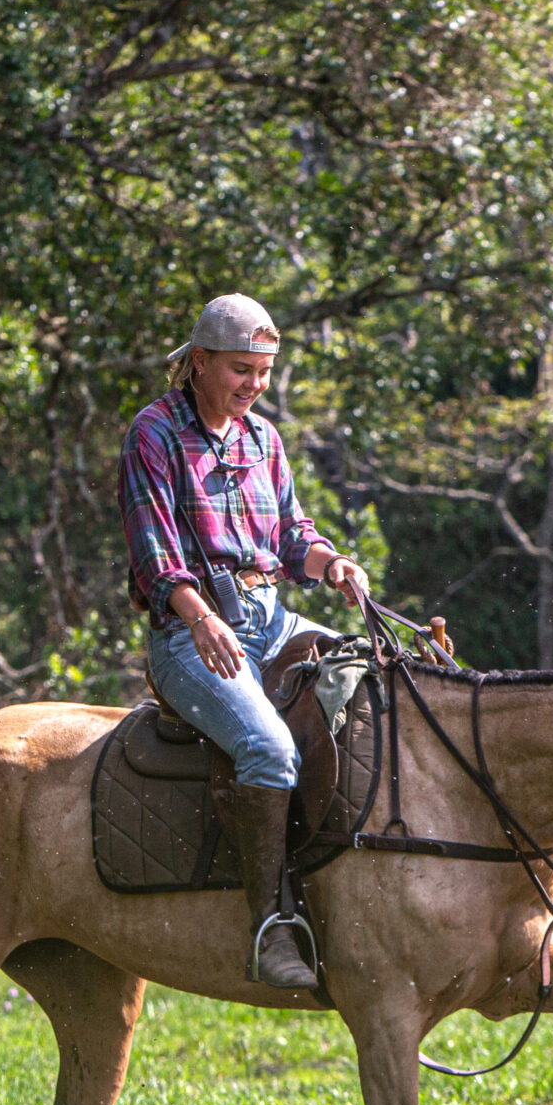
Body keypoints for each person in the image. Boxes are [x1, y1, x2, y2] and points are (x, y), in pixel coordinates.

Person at [118, 294, 370, 990]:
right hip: (188, 635)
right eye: (240, 370)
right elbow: (154, 555)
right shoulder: (154, 434)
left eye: (262, 372)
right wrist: (201, 619)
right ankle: (271, 926)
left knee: (370, 680)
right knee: (268, 747)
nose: (253, 386)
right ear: (198, 362)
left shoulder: (263, 439)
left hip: (271, 618)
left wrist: (333, 564)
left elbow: (292, 537)